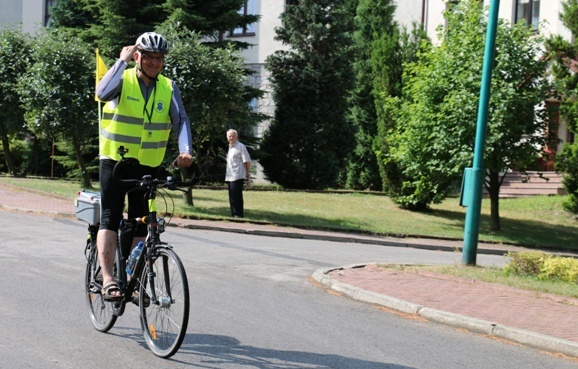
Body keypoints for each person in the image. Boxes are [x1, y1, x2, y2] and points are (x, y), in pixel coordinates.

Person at [95, 32, 194, 301]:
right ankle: (108, 280)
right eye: (148, 56)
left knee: (142, 223)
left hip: (148, 165)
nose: (154, 62)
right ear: (137, 56)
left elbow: (181, 121)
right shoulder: (123, 78)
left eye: (159, 58)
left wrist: (186, 151)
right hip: (115, 161)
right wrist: (121, 62)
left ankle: (135, 280)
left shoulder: (169, 87)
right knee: (110, 217)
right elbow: (101, 93)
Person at [225, 129, 251, 218]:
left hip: (238, 175)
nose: (231, 137)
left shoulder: (240, 146)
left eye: (233, 136)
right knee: (232, 195)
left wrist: (247, 173)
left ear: (237, 137)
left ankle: (238, 215)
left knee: (237, 195)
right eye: (229, 136)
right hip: (230, 175)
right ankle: (233, 213)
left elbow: (247, 161)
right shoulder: (230, 147)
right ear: (227, 137)